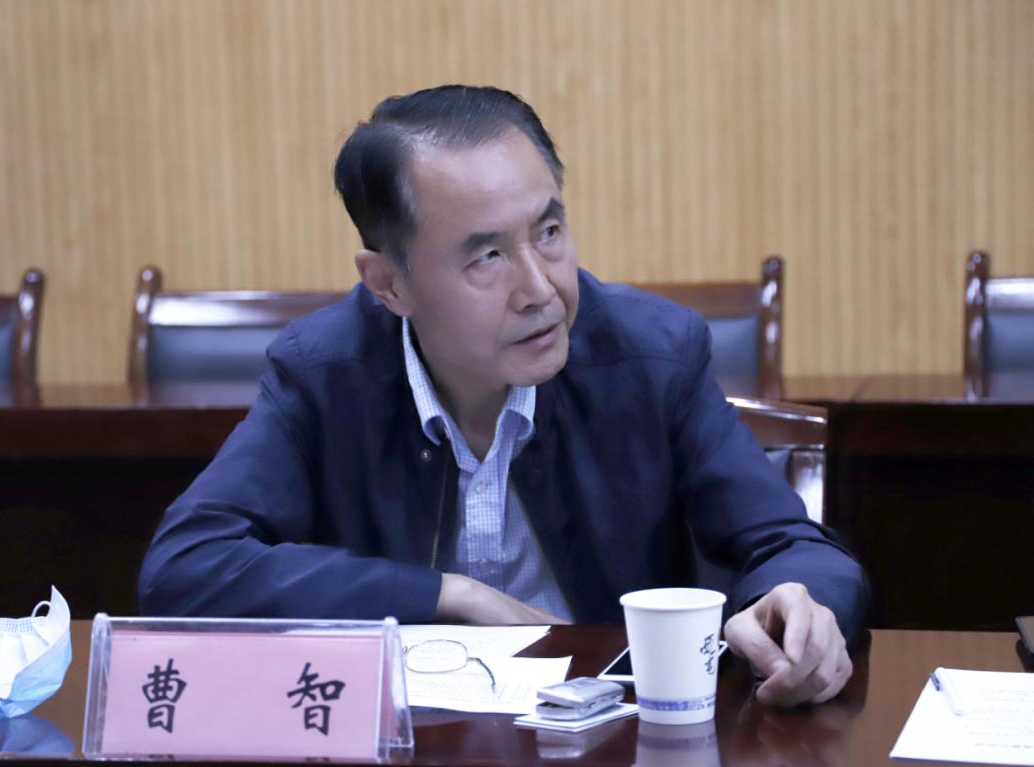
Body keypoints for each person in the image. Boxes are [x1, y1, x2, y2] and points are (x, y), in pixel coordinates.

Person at [139, 84, 868, 706]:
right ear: (388, 283)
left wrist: (800, 607)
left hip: (611, 734)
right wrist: (443, 595)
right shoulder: (323, 373)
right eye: (487, 255)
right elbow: (185, 568)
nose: (541, 287)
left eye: (548, 231)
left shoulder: (652, 355)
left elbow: (793, 545)